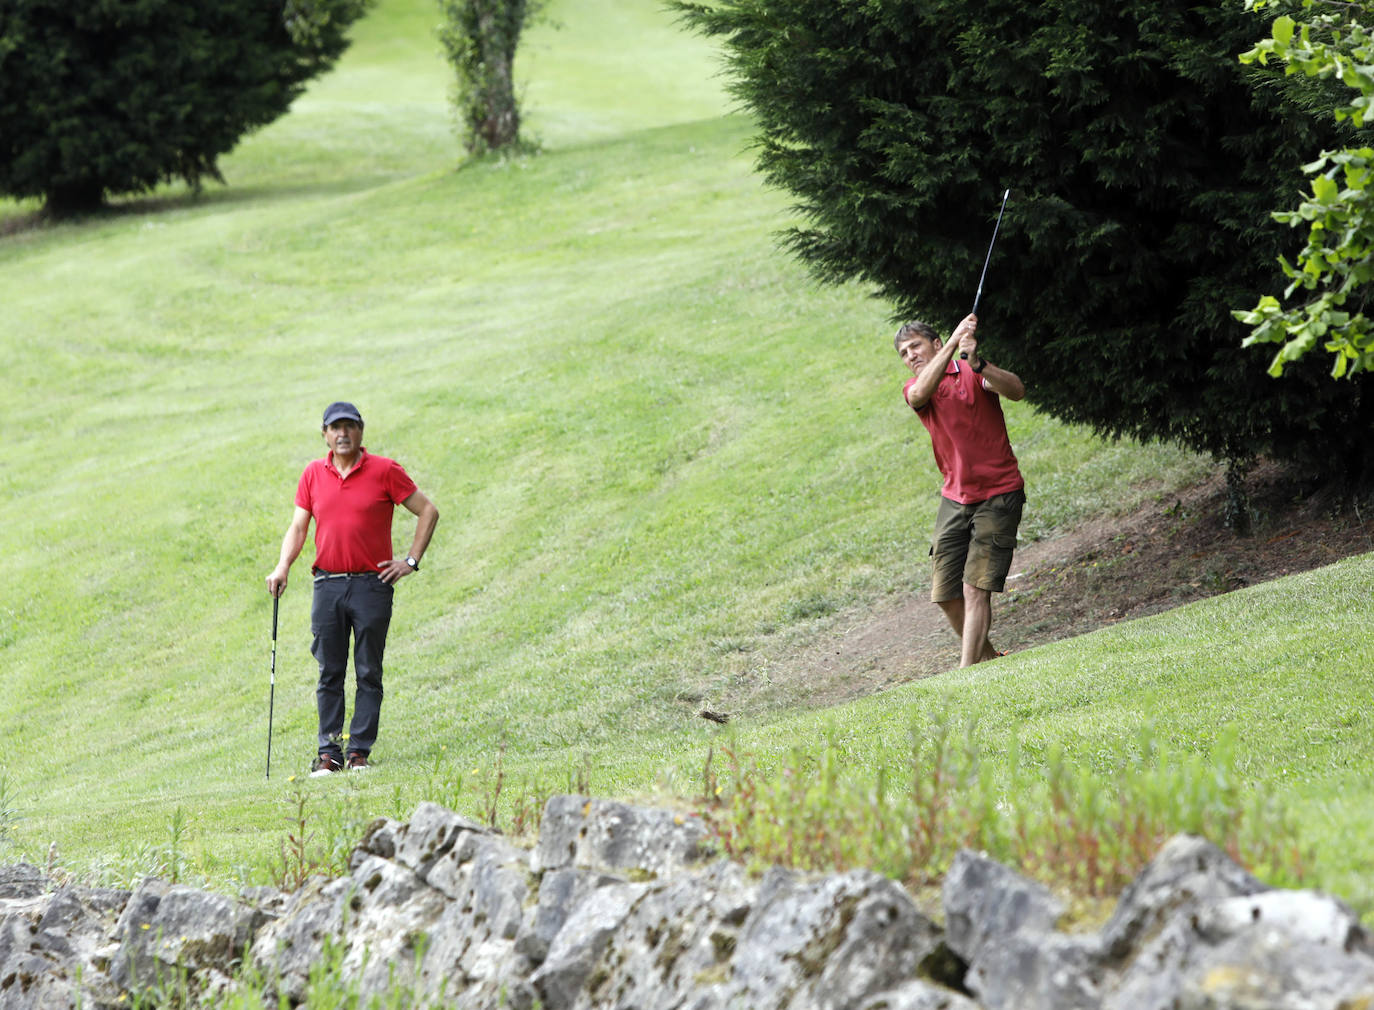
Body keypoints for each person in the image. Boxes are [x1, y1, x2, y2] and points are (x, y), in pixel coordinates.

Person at [266, 402, 439, 775]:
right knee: (329, 671)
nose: (342, 434)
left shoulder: (385, 471)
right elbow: (298, 528)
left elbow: (428, 510)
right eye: (335, 428)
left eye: (349, 426)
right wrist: (283, 567)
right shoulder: (313, 473)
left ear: (361, 431)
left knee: (367, 670)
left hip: (371, 585)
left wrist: (409, 561)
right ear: (325, 435)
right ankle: (330, 753)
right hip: (327, 584)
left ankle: (359, 751)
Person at [896, 314, 1026, 668]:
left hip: (999, 492)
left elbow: (1016, 390)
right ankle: (989, 662)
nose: (910, 356)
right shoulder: (916, 388)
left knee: (975, 588)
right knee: (945, 594)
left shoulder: (971, 371)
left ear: (935, 344)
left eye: (915, 346)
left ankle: (967, 674)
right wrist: (955, 341)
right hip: (955, 497)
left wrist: (980, 363)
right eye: (904, 353)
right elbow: (921, 392)